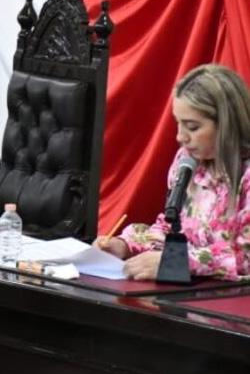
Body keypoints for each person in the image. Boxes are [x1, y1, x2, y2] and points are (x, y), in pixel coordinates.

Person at [95, 64, 250, 280]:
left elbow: (245, 259)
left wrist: (177, 261)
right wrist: (126, 244)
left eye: (192, 127)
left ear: (227, 125)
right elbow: (171, 227)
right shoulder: (186, 161)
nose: (180, 137)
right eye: (178, 124)